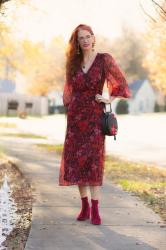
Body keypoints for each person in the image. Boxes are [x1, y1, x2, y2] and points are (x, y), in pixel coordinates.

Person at [59, 24, 131, 225]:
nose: (85, 40)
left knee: (93, 162)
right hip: (75, 118)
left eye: (88, 36)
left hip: (94, 118)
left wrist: (109, 99)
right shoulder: (72, 63)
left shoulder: (104, 59)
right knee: (76, 162)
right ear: (77, 42)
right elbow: (67, 92)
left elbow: (121, 83)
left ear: (93, 38)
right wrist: (71, 107)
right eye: (81, 38)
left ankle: (96, 209)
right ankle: (84, 206)